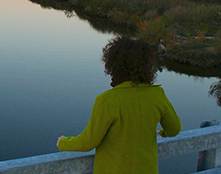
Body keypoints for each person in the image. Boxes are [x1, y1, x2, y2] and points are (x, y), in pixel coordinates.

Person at [56, 36, 181, 174]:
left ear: (113, 65)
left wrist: (63, 142)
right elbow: (174, 129)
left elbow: (88, 142)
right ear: (147, 66)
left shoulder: (107, 100)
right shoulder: (157, 95)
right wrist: (163, 133)